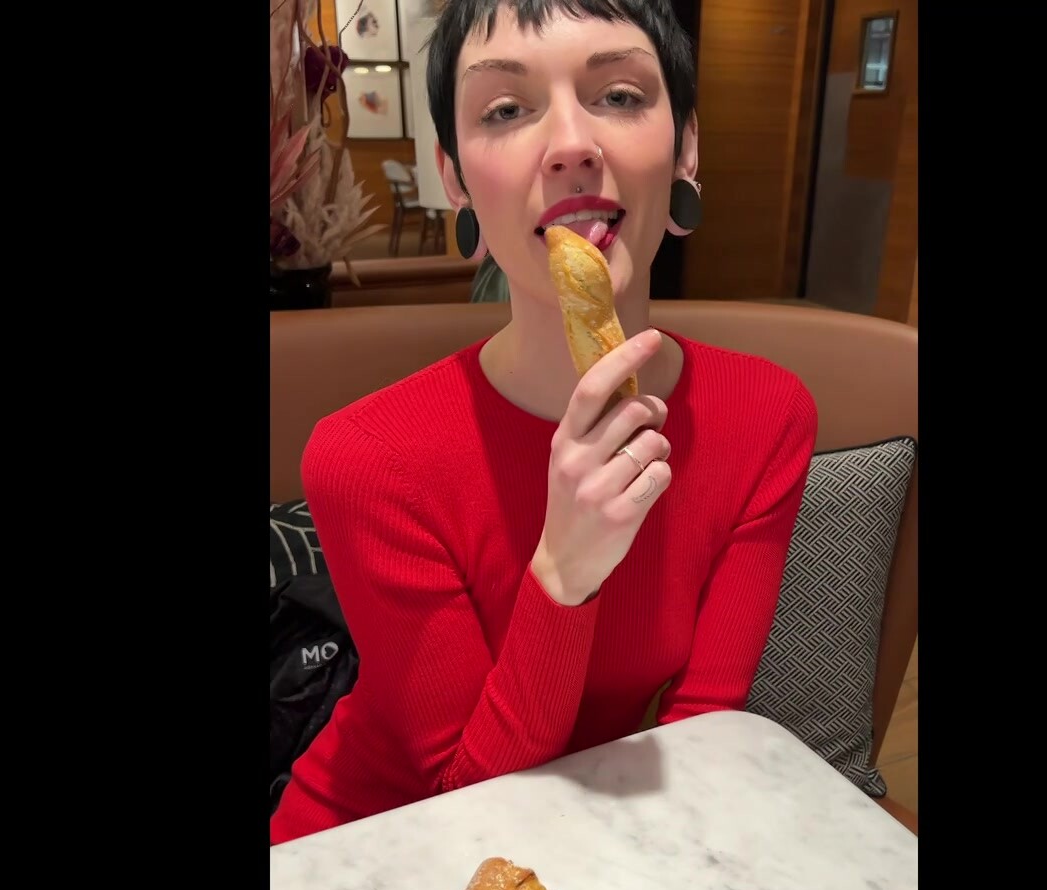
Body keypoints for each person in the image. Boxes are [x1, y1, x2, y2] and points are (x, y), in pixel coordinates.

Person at [270, 0, 816, 844]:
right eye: (505, 109)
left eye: (621, 96)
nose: (570, 143)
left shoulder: (766, 417)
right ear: (456, 177)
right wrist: (565, 570)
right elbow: (461, 797)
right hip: (374, 851)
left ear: (686, 148)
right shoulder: (369, 458)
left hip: (600, 843)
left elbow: (704, 732)